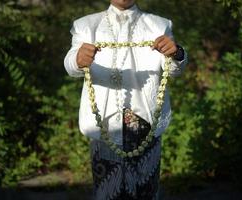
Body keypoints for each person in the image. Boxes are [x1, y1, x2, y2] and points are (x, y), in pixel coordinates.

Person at [64, 0, 187, 199]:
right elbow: (70, 65)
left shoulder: (159, 25)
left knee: (146, 190)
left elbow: (174, 70)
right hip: (104, 125)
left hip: (146, 123)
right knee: (107, 191)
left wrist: (177, 53)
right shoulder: (86, 25)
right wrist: (77, 59)